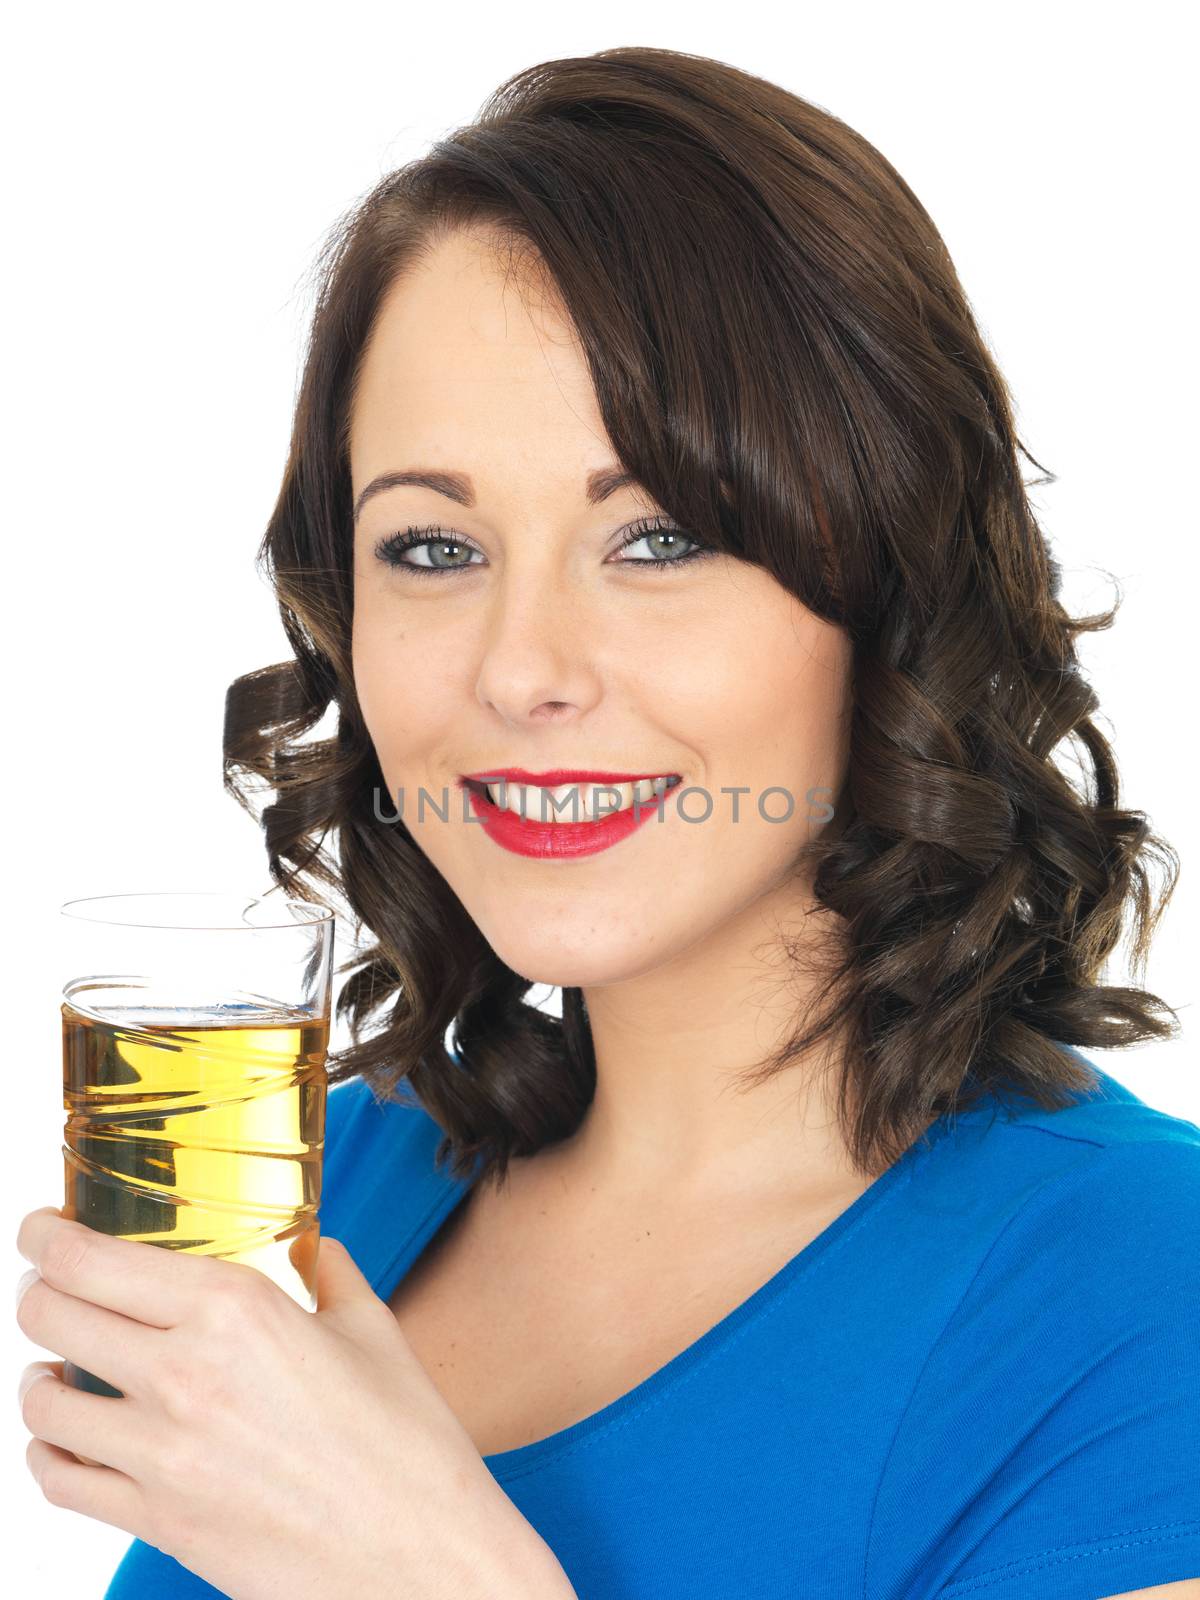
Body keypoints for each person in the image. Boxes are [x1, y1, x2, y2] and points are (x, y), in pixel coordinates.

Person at [75, 44, 1200, 1598]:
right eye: (431, 547)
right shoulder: (327, 1179)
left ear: (884, 586)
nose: (523, 670)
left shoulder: (1139, 1297)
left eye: (658, 536)